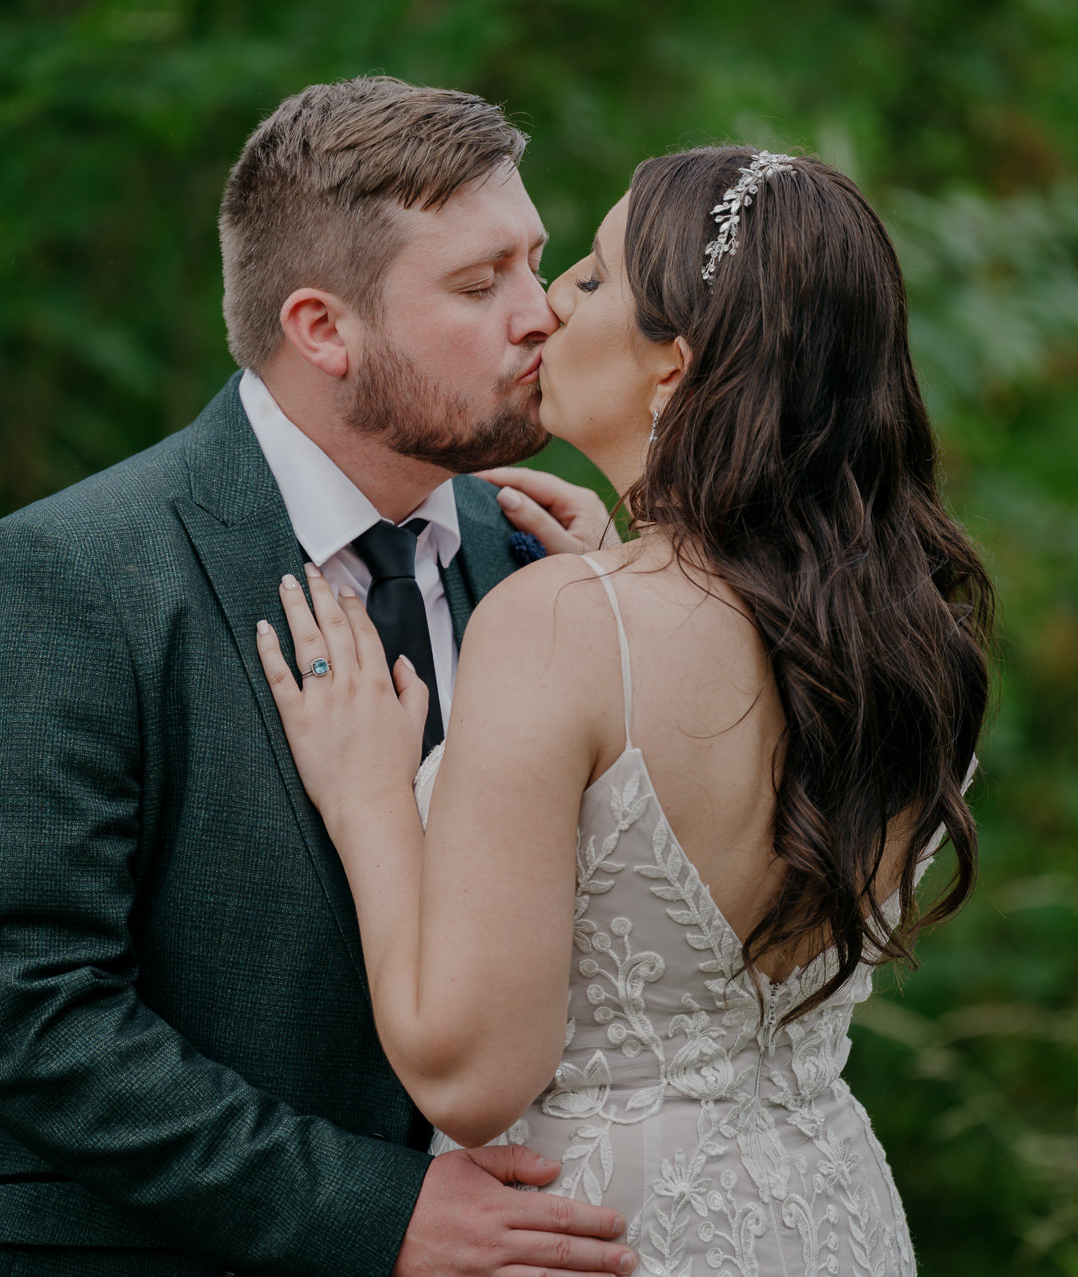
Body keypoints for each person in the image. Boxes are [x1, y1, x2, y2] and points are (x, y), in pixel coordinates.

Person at [0, 77, 639, 1277]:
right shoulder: (70, 575)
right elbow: (26, 1013)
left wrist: (625, 620)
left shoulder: (538, 563)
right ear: (322, 329)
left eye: (537, 261)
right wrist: (374, 1209)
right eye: (478, 284)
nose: (541, 315)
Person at [256, 147, 996, 1277]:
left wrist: (367, 798)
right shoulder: (912, 645)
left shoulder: (563, 624)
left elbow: (469, 1073)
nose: (548, 303)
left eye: (590, 279)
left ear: (674, 368)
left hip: (608, 1234)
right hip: (830, 1216)